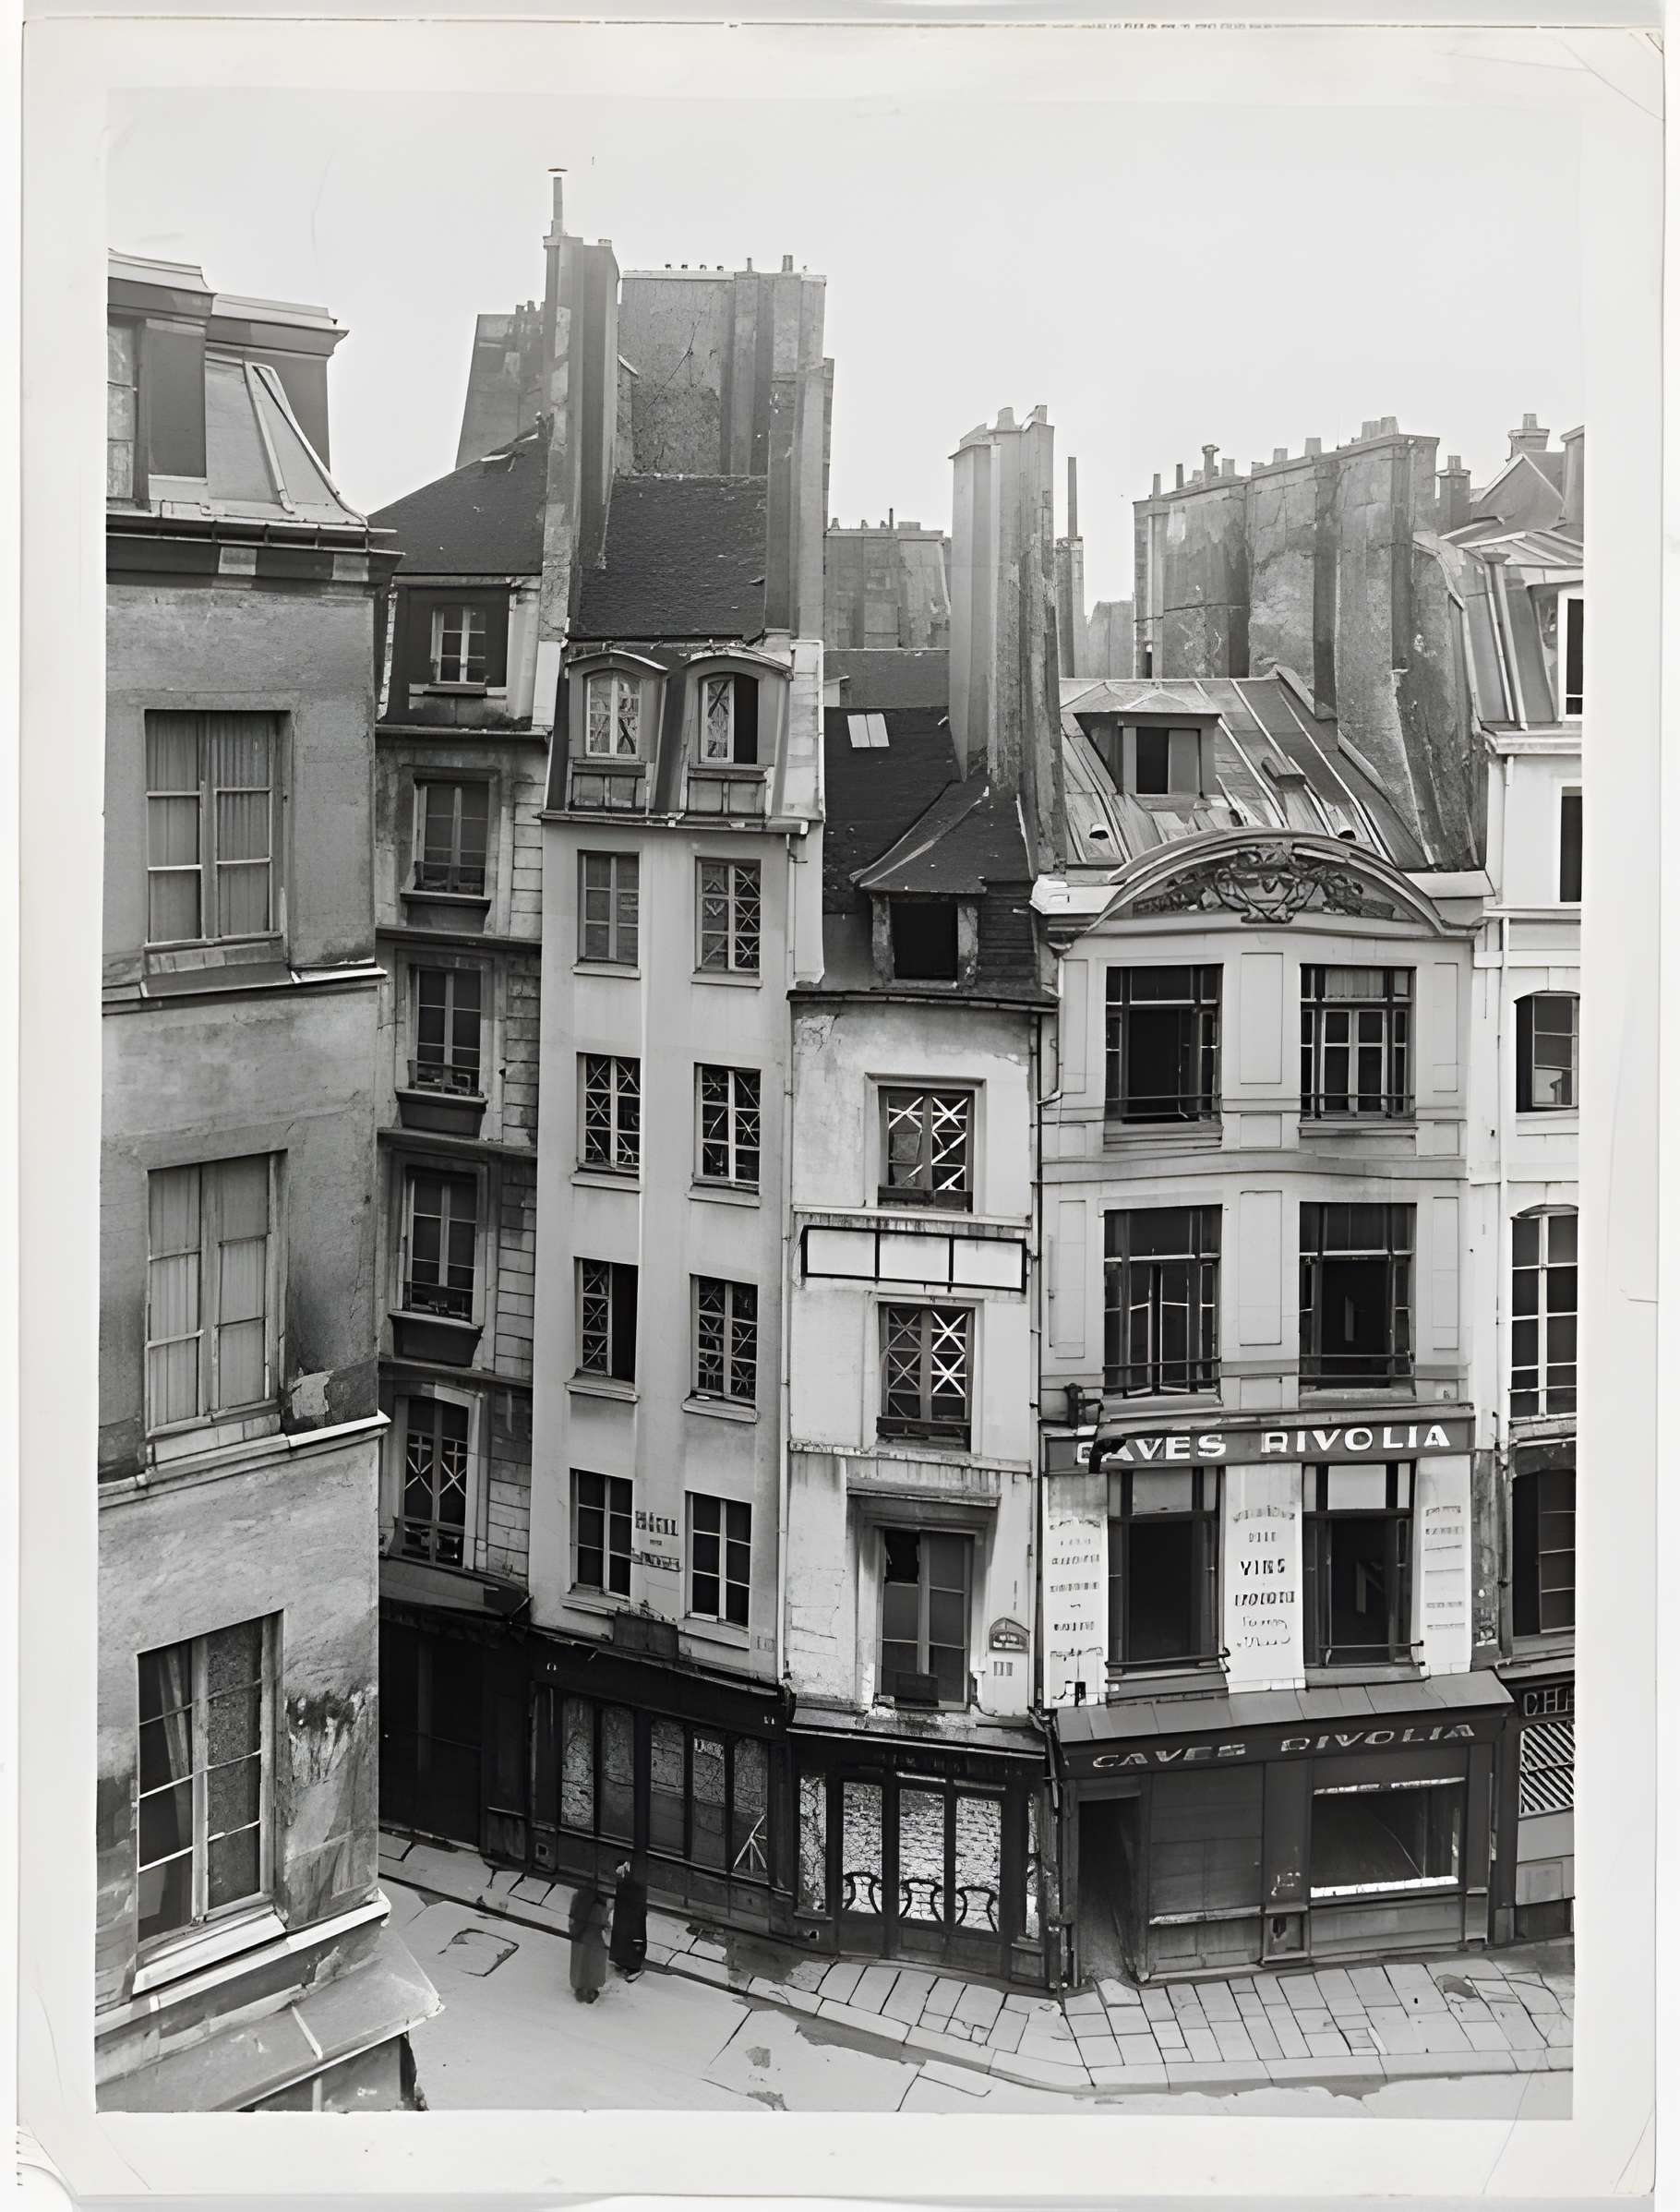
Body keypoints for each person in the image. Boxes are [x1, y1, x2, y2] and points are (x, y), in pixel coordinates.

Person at [568, 1879, 608, 2003]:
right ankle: (594, 1886)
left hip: (588, 1939)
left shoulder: (593, 1981)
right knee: (590, 1912)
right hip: (588, 1938)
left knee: (590, 1911)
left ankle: (594, 1886)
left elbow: (584, 1960)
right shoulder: (584, 1981)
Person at [608, 1855, 648, 1983]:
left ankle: (632, 1966)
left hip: (631, 1912)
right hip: (627, 1911)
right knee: (627, 1937)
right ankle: (626, 1962)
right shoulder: (627, 1880)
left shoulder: (631, 1881)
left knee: (632, 1937)